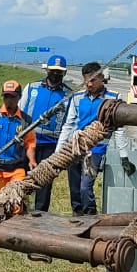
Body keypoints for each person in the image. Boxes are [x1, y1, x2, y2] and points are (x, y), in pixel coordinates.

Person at [57, 63, 119, 215]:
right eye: (86, 81)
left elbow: (120, 128)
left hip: (96, 149)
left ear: (101, 79)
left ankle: (90, 215)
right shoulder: (77, 98)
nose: (89, 84)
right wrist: (59, 150)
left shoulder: (113, 99)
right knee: (74, 187)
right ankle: (77, 215)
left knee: (85, 186)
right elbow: (69, 124)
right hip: (76, 147)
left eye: (93, 80)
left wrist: (122, 153)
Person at [20, 56, 74, 213]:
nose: (56, 74)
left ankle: (40, 214)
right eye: (53, 71)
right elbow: (20, 111)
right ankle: (20, 209)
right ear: (47, 70)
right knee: (22, 177)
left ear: (64, 73)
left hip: (52, 143)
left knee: (44, 181)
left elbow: (69, 122)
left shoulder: (69, 95)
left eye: (59, 72)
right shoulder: (32, 88)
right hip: (30, 141)